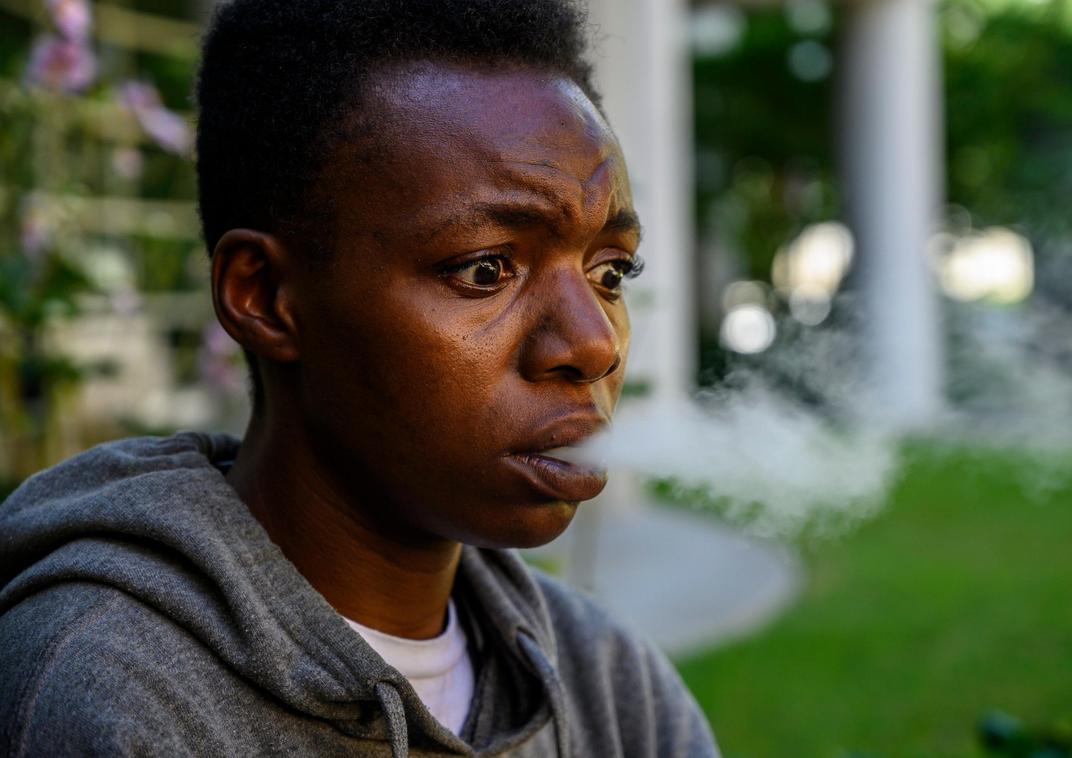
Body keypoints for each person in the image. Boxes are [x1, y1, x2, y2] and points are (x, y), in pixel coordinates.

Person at [0, 0, 719, 756]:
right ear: (265, 297)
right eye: (484, 269)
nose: (594, 343)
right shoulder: (111, 696)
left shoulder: (610, 683)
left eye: (610, 273)